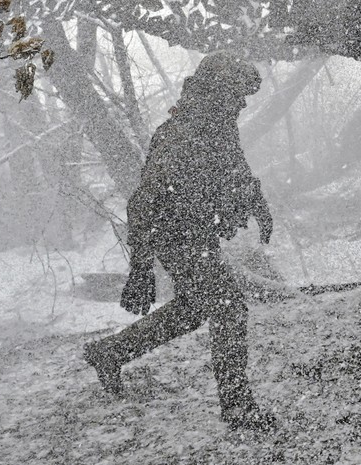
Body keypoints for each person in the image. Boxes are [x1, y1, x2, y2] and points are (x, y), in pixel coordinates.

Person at [83, 52, 274, 430]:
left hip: (198, 233)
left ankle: (110, 352)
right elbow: (143, 203)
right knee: (228, 308)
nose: (242, 104)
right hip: (175, 237)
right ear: (217, 92)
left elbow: (235, 167)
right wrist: (140, 267)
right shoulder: (179, 136)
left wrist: (257, 203)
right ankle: (237, 407)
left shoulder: (217, 126)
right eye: (238, 95)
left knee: (194, 308)